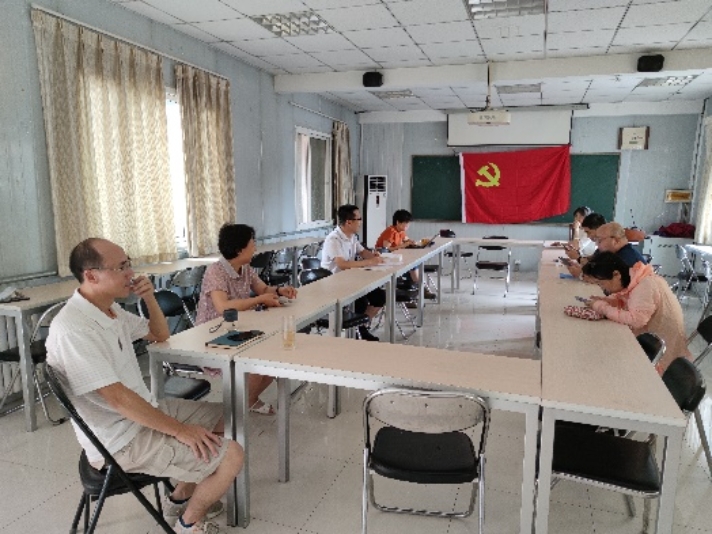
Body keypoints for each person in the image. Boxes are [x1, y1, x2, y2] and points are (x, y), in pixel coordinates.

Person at [47, 238, 243, 534]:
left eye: (129, 263)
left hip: (141, 413)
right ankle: (188, 525)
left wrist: (149, 298)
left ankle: (180, 497)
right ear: (91, 275)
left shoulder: (108, 310)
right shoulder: (74, 329)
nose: (131, 273)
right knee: (232, 455)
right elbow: (118, 399)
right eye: (121, 267)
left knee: (230, 417)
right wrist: (180, 430)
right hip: (119, 440)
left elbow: (159, 334)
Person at [196, 223, 298, 415]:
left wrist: (279, 290)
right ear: (239, 249)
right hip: (213, 335)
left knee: (274, 356)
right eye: (252, 244)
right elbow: (223, 307)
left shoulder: (245, 268)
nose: (255, 248)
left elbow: (262, 289)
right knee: (259, 360)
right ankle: (241, 406)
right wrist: (259, 300)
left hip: (238, 328)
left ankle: (248, 399)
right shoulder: (216, 271)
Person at [581, 251, 691, 374]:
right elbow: (628, 300)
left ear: (616, 274)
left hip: (662, 356)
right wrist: (607, 301)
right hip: (651, 340)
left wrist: (601, 307)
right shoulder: (635, 278)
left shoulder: (645, 285)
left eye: (602, 283)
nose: (603, 288)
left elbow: (636, 320)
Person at [322, 204, 386, 341]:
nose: (361, 222)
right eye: (359, 219)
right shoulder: (334, 239)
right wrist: (368, 262)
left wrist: (374, 256)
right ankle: (358, 332)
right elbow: (342, 264)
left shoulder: (352, 237)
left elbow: (362, 252)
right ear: (348, 222)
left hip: (350, 279)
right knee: (360, 301)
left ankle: (361, 328)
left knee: (379, 296)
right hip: (333, 283)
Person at [375, 209, 436, 301]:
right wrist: (403, 245)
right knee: (413, 266)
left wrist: (412, 242)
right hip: (387, 261)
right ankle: (422, 289)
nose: (407, 226)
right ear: (398, 222)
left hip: (397, 259)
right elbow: (386, 249)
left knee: (414, 265)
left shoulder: (401, 231)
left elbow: (407, 240)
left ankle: (417, 291)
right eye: (406, 224)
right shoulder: (391, 231)